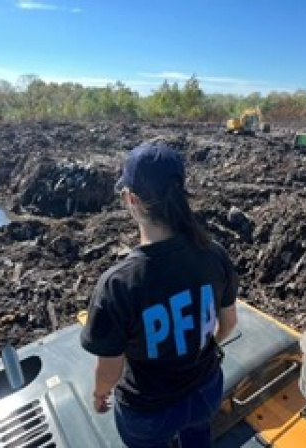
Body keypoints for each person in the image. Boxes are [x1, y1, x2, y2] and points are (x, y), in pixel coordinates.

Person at [80, 141, 238, 448]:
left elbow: (110, 370)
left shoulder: (118, 285)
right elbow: (229, 323)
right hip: (206, 390)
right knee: (197, 435)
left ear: (131, 199)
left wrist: (101, 392)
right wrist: (202, 349)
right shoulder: (214, 254)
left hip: (149, 412)